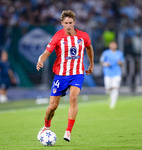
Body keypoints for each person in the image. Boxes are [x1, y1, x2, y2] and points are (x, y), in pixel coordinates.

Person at [36, 10, 94, 142]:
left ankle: (68, 131)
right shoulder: (58, 36)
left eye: (70, 23)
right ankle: (46, 126)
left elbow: (89, 48)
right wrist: (41, 60)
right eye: (66, 23)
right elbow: (47, 52)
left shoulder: (83, 36)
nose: (68, 25)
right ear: (62, 23)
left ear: (74, 22)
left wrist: (91, 64)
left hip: (77, 74)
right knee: (52, 107)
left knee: (73, 98)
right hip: (61, 75)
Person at [100, 41, 124, 109]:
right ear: (110, 46)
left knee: (115, 87)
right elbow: (101, 62)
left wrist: (120, 63)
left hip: (117, 73)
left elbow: (122, 62)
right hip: (107, 73)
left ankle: (113, 104)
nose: (113, 46)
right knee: (108, 88)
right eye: (112, 45)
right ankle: (109, 99)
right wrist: (105, 64)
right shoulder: (105, 53)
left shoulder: (120, 53)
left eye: (114, 45)